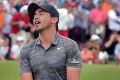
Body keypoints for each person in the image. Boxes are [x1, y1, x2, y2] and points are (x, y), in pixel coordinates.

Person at [20, 3, 82, 80]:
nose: (35, 17)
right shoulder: (26, 49)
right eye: (34, 15)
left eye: (41, 14)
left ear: (54, 19)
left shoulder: (70, 46)